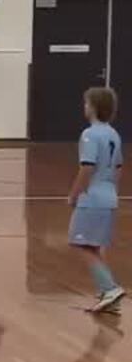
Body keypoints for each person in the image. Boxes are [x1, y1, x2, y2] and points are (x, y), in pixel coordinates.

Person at [68, 87, 124, 313]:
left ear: (93, 107)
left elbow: (87, 167)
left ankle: (110, 288)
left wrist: (74, 194)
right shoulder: (113, 134)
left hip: (92, 199)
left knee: (79, 244)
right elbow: (118, 167)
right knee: (93, 245)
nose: (84, 107)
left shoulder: (90, 134)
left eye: (86, 103)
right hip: (109, 197)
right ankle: (105, 293)